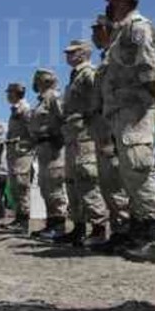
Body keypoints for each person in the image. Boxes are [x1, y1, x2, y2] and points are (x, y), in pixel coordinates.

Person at [100, 0, 155, 264]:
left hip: (138, 111)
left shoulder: (137, 27)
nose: (108, 5)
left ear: (122, 0)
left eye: (112, 0)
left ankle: (154, 243)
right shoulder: (119, 33)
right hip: (122, 114)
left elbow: (149, 68)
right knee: (130, 175)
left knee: (140, 170)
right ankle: (139, 236)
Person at [56, 39, 109, 246]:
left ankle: (98, 228)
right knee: (72, 183)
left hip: (85, 135)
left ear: (85, 53)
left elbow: (100, 101)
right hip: (71, 136)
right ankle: (78, 228)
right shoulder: (75, 76)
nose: (68, 55)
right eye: (68, 52)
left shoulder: (89, 73)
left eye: (73, 52)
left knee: (87, 180)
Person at [87, 14, 132, 254]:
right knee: (107, 183)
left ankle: (124, 233)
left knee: (116, 182)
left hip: (116, 126)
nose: (93, 35)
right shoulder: (105, 58)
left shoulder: (117, 54)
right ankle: (117, 232)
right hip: (102, 127)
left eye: (97, 30)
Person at [28, 68, 68, 240]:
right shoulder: (41, 101)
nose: (36, 83)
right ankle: (51, 224)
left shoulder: (54, 97)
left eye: (39, 80)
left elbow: (64, 119)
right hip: (42, 148)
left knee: (55, 188)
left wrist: (58, 138)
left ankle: (58, 226)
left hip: (54, 147)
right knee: (46, 187)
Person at [2, 83, 33, 230]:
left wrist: (24, 146)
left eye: (10, 93)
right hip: (14, 154)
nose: (8, 95)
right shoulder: (15, 110)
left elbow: (32, 131)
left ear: (16, 93)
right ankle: (18, 218)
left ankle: (24, 220)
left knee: (21, 186)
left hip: (22, 154)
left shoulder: (25, 110)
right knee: (15, 187)